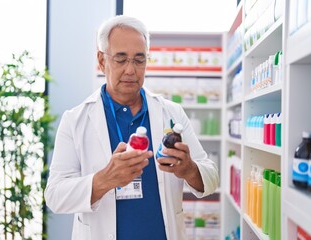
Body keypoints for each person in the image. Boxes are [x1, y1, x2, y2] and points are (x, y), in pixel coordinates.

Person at [45, 15, 219, 240]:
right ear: (101, 60)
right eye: (120, 59)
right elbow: (55, 196)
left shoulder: (171, 113)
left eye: (139, 60)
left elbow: (211, 177)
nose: (131, 70)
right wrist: (105, 179)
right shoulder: (75, 120)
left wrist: (189, 169)